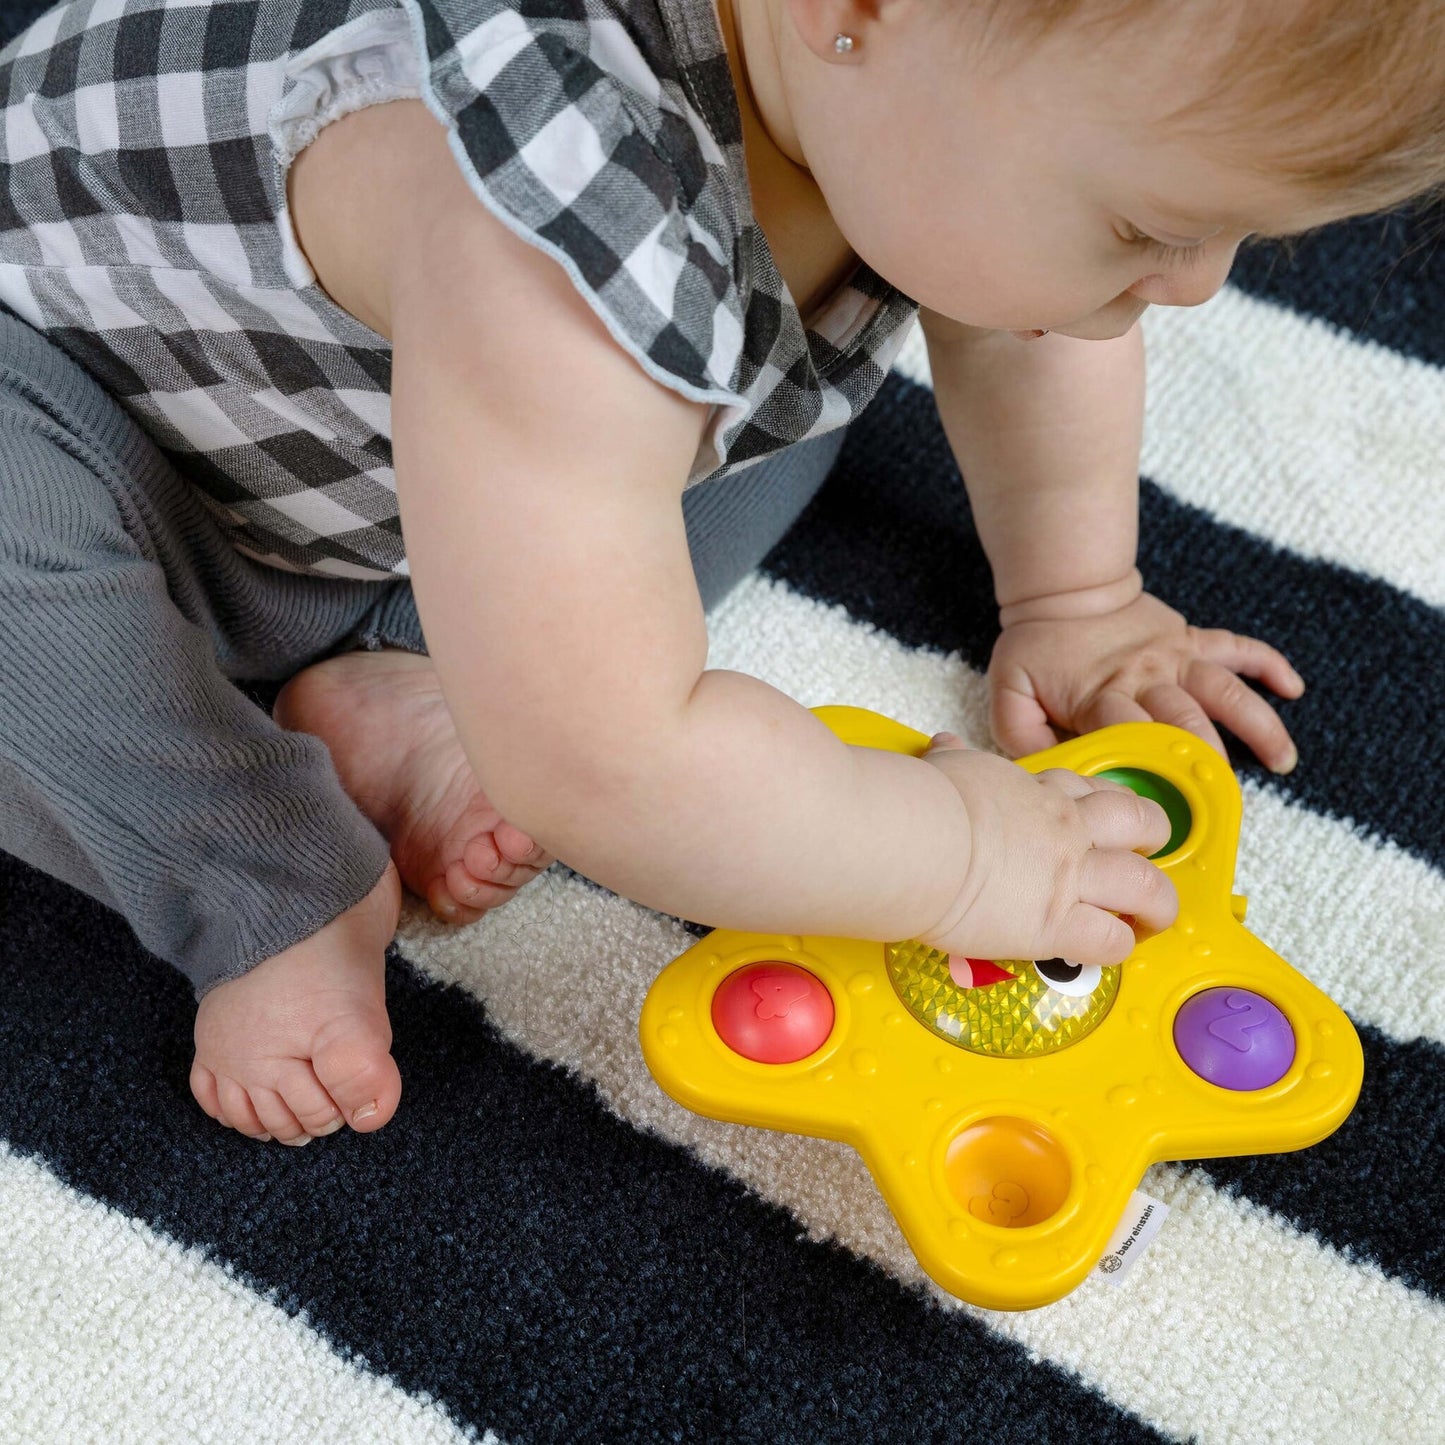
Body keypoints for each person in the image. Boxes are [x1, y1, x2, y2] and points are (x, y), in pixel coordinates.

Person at [1, 0, 1428, 1146]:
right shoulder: (553, 217)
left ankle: (416, 671)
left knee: (827, 387)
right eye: (1144, 228)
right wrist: (962, 852)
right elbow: (614, 774)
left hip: (410, 468)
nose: (1196, 285)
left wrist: (1078, 599)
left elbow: (1027, 316)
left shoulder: (888, 104)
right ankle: (260, 877)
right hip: (91, 430)